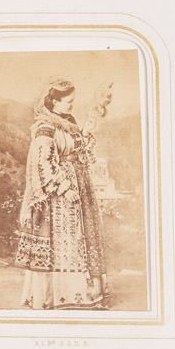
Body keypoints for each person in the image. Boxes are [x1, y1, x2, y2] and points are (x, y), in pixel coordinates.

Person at [15, 79, 111, 308]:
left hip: (80, 188)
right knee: (66, 239)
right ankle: (58, 297)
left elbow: (79, 151)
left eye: (72, 101)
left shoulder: (69, 123)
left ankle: (84, 293)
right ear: (54, 102)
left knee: (81, 237)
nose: (72, 105)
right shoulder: (45, 127)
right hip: (59, 197)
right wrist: (64, 188)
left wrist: (86, 129)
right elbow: (43, 163)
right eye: (69, 101)